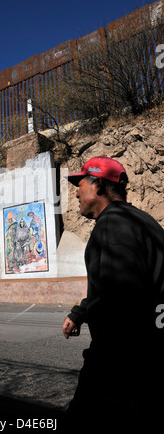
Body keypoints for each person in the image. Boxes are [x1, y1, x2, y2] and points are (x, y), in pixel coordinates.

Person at [62, 156, 164, 423]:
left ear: (98, 185)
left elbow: (120, 301)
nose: (76, 192)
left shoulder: (112, 227)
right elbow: (113, 283)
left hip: (124, 363)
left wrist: (99, 361)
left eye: (81, 183)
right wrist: (80, 313)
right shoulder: (143, 222)